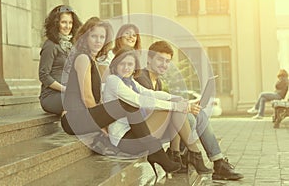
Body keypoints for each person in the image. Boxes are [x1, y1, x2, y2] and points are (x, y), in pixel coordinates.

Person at [61, 17, 181, 175]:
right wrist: (103, 125)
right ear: (85, 37)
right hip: (74, 119)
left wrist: (171, 98)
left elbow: (146, 93)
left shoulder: (91, 59)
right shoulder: (83, 58)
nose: (98, 41)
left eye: (102, 37)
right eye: (94, 36)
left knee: (128, 104)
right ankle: (157, 152)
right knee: (127, 103)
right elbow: (87, 97)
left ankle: (156, 151)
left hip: (82, 116)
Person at [135, 40, 244, 180]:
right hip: (146, 130)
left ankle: (218, 162)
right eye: (160, 60)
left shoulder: (159, 81)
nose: (164, 64)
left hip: (162, 127)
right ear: (149, 59)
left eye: (167, 61)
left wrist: (190, 104)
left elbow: (164, 104)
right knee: (188, 117)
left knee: (200, 114)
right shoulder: (141, 78)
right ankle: (190, 154)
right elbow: (154, 106)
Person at [103, 46, 211, 175]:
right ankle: (192, 153)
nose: (126, 67)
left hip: (138, 133)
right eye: (122, 64)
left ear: (134, 67)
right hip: (124, 140)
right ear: (115, 65)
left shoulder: (130, 82)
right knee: (171, 108)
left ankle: (175, 154)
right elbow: (138, 100)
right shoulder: (113, 80)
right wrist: (177, 105)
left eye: (130, 64)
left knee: (174, 105)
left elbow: (149, 94)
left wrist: (176, 98)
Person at [38, 5, 82, 115]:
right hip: (51, 96)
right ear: (56, 23)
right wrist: (65, 89)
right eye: (64, 22)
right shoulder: (51, 45)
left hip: (69, 93)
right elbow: (43, 75)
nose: (68, 26)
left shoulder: (71, 45)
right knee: (79, 102)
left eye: (70, 23)